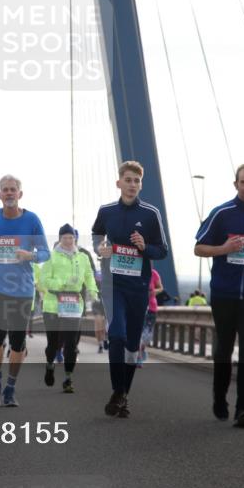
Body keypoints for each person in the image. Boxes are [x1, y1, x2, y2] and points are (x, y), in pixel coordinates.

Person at [194, 164, 244, 428]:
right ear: (236, 184)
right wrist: (224, 248)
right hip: (224, 293)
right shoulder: (221, 213)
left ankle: (243, 408)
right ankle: (220, 399)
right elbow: (199, 248)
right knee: (224, 350)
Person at [92, 161, 169, 419]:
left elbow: (162, 251)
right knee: (117, 335)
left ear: (141, 185)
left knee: (133, 344)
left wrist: (145, 247)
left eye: (136, 181)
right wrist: (100, 248)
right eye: (128, 180)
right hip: (114, 285)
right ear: (119, 183)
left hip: (138, 288)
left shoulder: (150, 214)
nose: (132, 185)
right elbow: (97, 235)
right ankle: (118, 391)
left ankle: (123, 394)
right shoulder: (106, 211)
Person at [0, 174, 49, 407]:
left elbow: (45, 253)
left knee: (18, 342)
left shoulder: (32, 220)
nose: (9, 193)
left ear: (20, 194)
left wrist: (29, 255)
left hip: (22, 288)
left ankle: (10, 387)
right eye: (5, 189)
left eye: (13, 189)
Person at [40, 224, 98, 393]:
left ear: (75, 239)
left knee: (71, 344)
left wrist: (93, 291)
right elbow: (44, 280)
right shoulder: (51, 257)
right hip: (52, 305)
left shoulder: (83, 257)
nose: (68, 240)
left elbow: (89, 276)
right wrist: (63, 284)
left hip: (73, 304)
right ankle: (50, 365)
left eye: (71, 237)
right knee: (53, 343)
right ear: (60, 239)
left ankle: (68, 378)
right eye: (65, 237)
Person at [138, 267, 164, 367]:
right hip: (138, 307)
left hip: (151, 308)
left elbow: (160, 288)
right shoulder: (134, 271)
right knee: (138, 334)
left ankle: (142, 349)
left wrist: (154, 291)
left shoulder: (153, 273)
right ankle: (138, 357)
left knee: (147, 336)